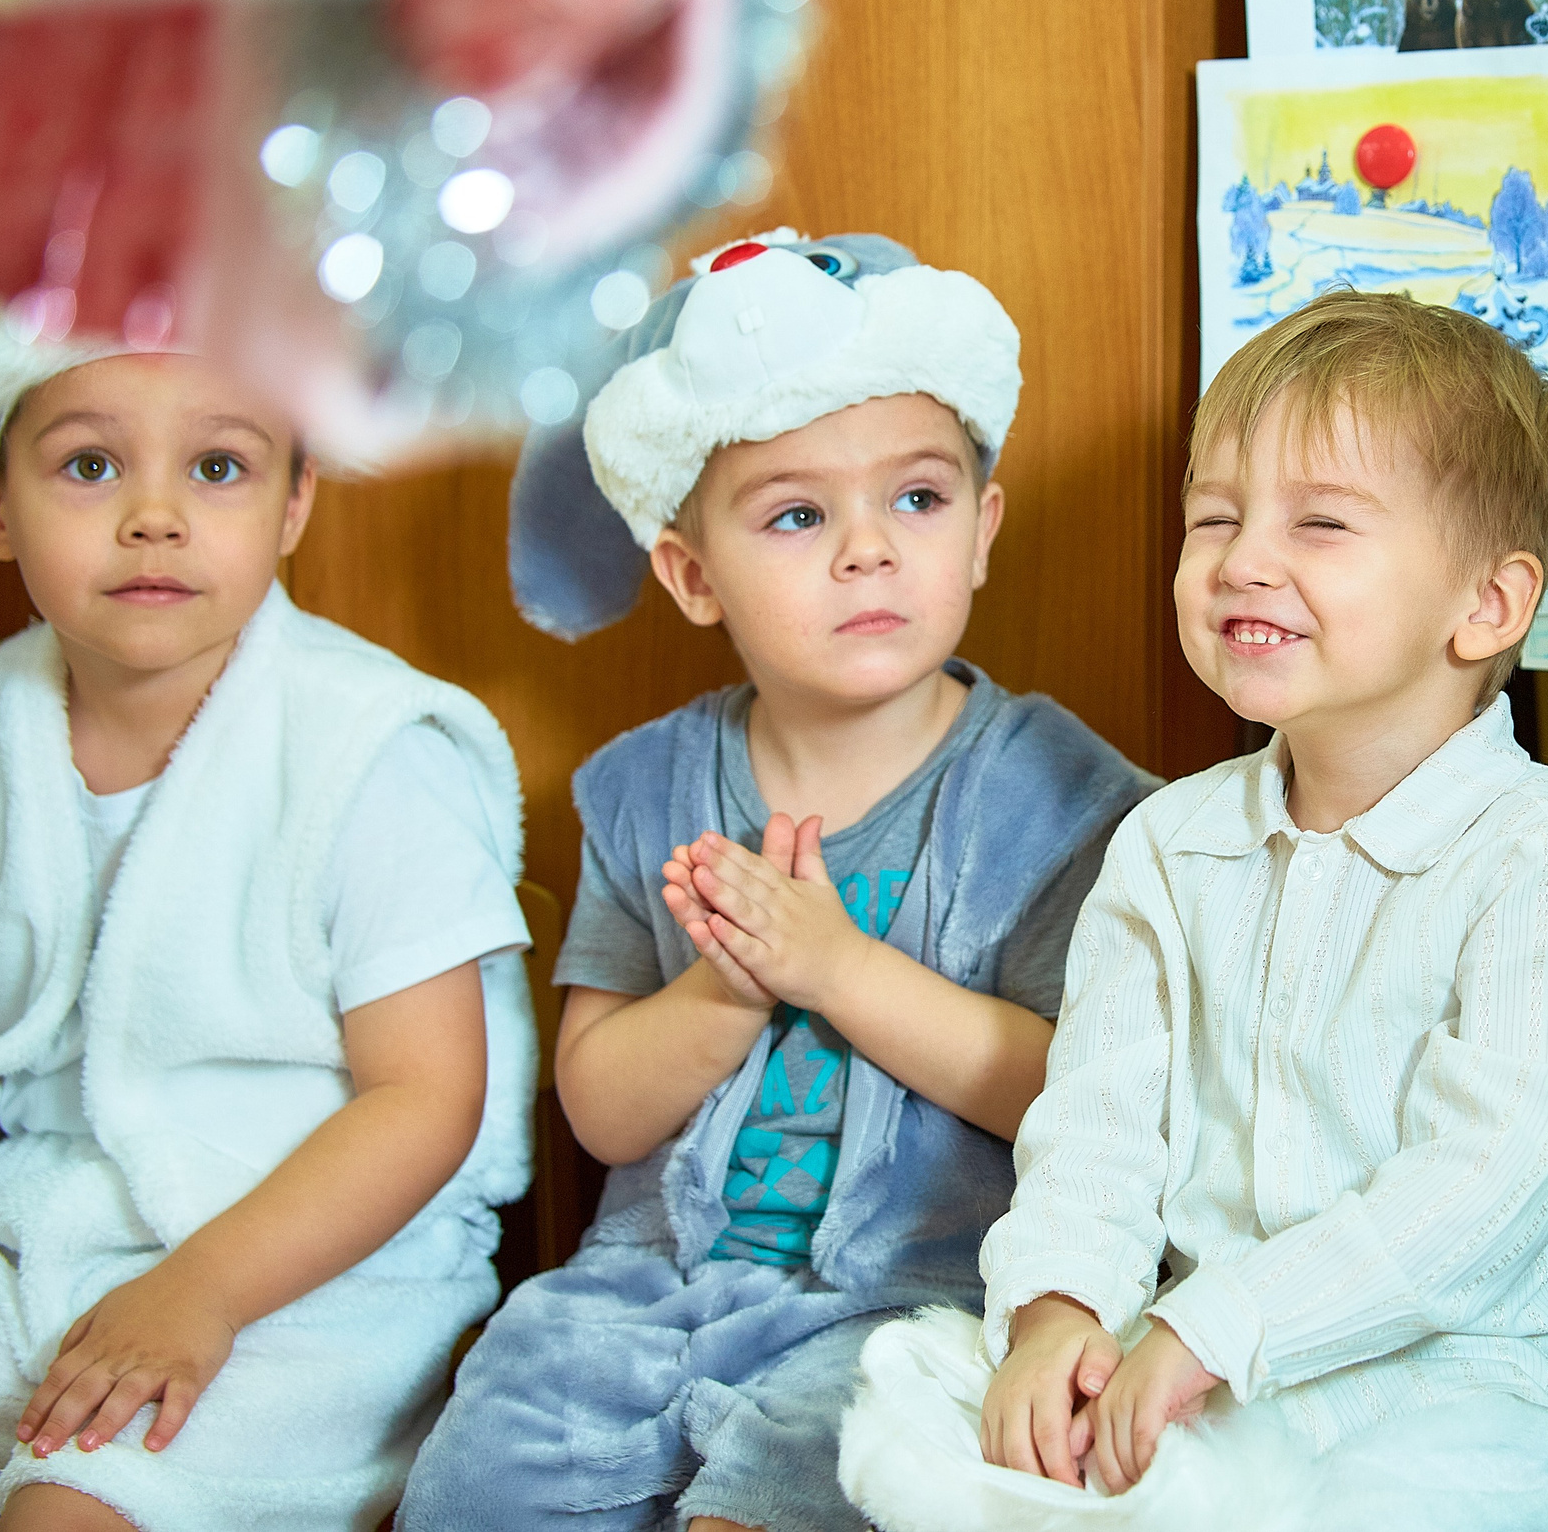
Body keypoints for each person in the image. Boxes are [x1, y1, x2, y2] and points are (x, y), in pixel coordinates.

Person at [838, 289, 1548, 1532]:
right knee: (914, 1404)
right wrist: (1058, 1306)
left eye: (1320, 521)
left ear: (1486, 605)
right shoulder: (1168, 842)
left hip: (1471, 1394)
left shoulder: (1540, 856)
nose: (1240, 560)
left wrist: (1224, 1325)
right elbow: (1098, 1123)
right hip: (1194, 1367)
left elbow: (1481, 1191)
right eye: (1213, 517)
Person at [399, 231, 1156, 1532]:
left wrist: (837, 967)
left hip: (913, 1306)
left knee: (794, 1502)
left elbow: (1078, 1092)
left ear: (982, 531)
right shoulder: (645, 787)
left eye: (915, 499)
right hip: (636, 1290)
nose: (867, 549)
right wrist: (725, 989)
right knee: (473, 1484)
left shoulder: (1060, 796)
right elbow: (601, 1112)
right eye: (798, 514)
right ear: (693, 575)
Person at [0, 317, 535, 1532]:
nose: (153, 515)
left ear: (294, 499)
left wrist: (201, 1289)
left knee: (75, 1504)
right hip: (31, 1210)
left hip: (307, 1255)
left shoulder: (364, 749)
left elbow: (424, 1098)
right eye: (90, 464)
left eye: (217, 467)